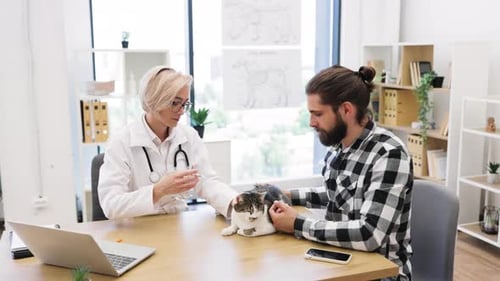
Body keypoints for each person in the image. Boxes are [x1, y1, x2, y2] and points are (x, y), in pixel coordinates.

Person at [269, 65, 413, 280]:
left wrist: (298, 224)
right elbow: (337, 195)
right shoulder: (339, 145)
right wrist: (287, 196)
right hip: (341, 261)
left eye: (317, 114)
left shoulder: (389, 153)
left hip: (380, 273)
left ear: (346, 110)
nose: (311, 123)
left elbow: (369, 234)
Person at [98, 66, 238, 219]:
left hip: (177, 226)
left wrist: (234, 201)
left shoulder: (188, 136)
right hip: (137, 229)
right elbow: (111, 205)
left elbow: (206, 181)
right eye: (174, 103)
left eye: (184, 104)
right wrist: (158, 191)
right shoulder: (121, 142)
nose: (181, 111)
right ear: (154, 100)